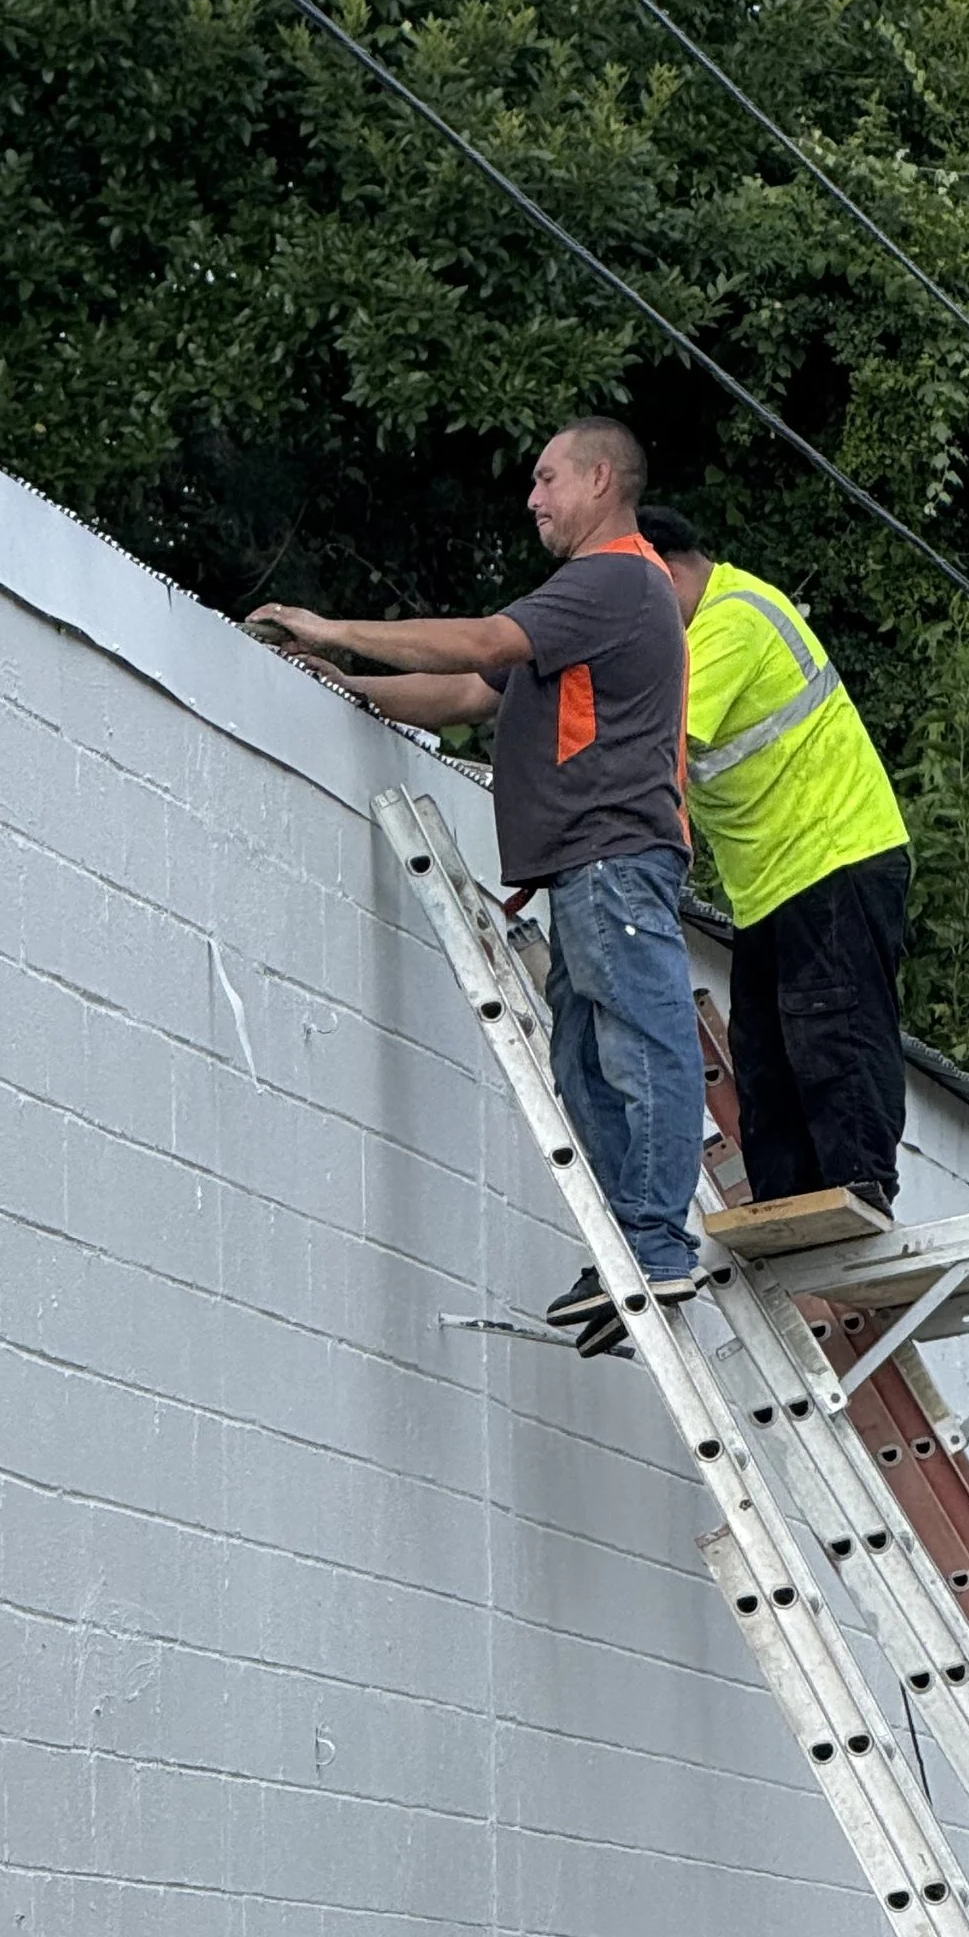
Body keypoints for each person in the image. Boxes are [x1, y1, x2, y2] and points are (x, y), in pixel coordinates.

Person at [250, 420, 699, 1347]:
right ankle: (630, 1245)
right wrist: (344, 681)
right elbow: (467, 694)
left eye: (546, 479)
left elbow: (485, 640)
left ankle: (653, 1244)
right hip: (582, 866)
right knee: (583, 1059)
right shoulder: (588, 603)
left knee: (638, 1045)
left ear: (601, 478)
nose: (532, 498)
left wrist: (336, 627)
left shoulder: (615, 577)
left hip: (612, 857)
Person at [636, 505, 912, 1217]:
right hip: (773, 883)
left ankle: (857, 1186)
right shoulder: (713, 621)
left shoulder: (731, 620)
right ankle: (789, 1203)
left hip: (835, 853)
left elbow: (651, 734)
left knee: (833, 1029)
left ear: (662, 570)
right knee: (766, 1054)